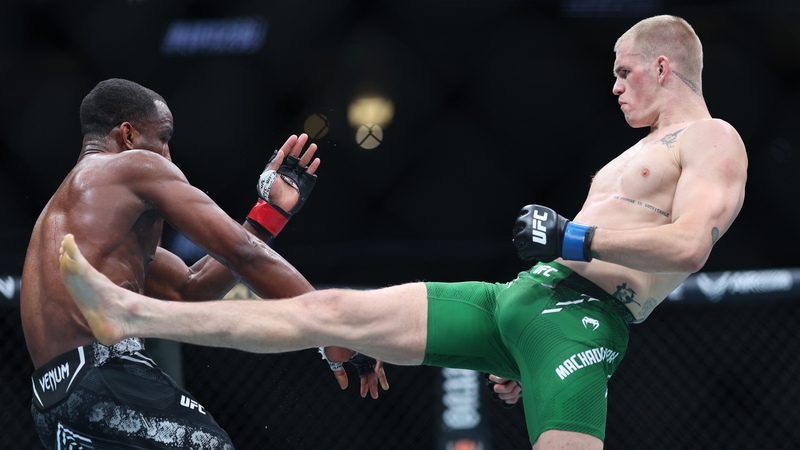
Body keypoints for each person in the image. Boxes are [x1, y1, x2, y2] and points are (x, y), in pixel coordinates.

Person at [57, 15, 748, 449]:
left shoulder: (712, 138)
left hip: (580, 324)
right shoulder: (631, 154)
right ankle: (127, 312)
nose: (616, 86)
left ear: (664, 66)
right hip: (516, 300)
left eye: (625, 73)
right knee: (329, 309)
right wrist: (528, 325)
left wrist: (573, 242)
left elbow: (688, 247)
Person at [20, 78, 388, 450]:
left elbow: (188, 288)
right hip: (107, 376)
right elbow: (242, 254)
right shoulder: (135, 165)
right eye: (163, 138)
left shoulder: (68, 219)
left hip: (54, 407)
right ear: (128, 136)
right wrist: (335, 330)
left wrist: (268, 215)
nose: (168, 156)